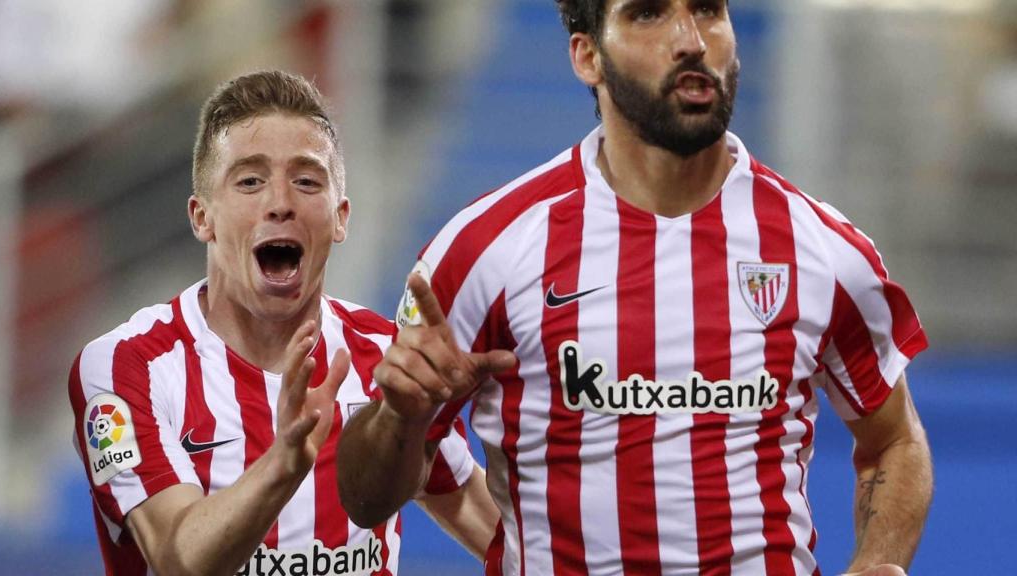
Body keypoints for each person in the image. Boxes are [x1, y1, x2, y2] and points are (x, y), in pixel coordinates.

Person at [336, 1, 934, 575]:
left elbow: (894, 440)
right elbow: (363, 501)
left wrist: (875, 562)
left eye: (708, 9)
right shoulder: (486, 251)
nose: (691, 40)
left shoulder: (823, 249)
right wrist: (400, 418)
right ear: (587, 56)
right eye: (647, 12)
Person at [67, 70, 498, 576]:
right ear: (202, 217)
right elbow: (177, 561)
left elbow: (500, 535)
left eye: (306, 181)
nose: (280, 204)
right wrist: (284, 463)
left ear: (340, 217)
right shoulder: (127, 367)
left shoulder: (385, 358)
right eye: (250, 181)